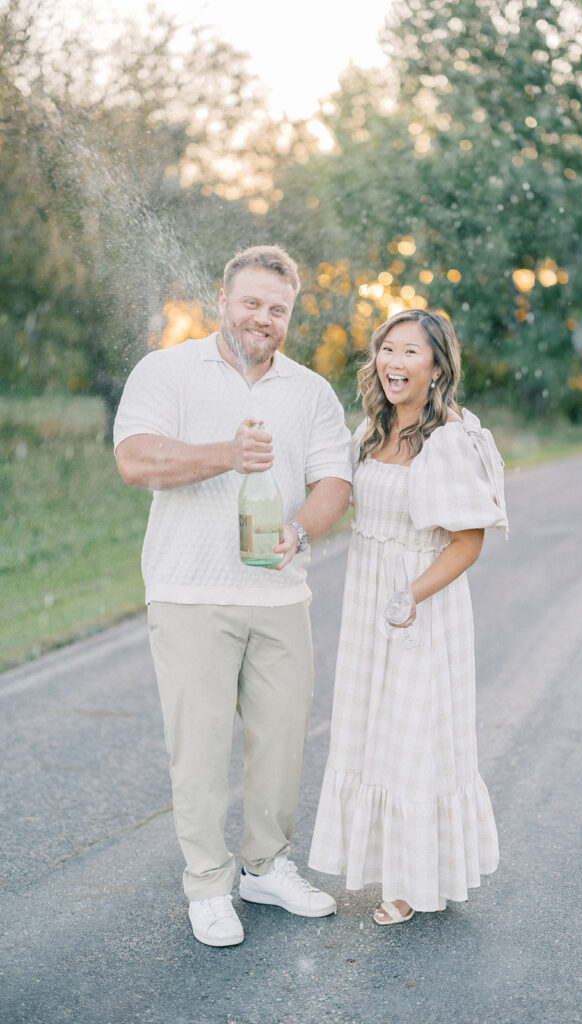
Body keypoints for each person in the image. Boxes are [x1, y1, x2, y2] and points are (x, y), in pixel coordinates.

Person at [113, 245, 352, 946]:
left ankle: (265, 867)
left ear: (289, 315)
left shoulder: (309, 390)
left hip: (280, 594)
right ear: (223, 300)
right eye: (251, 303)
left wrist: (300, 533)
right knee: (200, 745)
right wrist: (226, 452)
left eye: (277, 309)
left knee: (281, 742)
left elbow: (333, 481)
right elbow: (134, 460)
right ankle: (207, 886)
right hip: (188, 590)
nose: (263, 318)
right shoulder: (167, 369)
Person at [308, 308, 508, 925]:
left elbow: (467, 542)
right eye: (388, 350)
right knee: (375, 730)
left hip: (419, 607)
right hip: (370, 601)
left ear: (437, 366)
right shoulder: (370, 429)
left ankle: (411, 882)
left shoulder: (445, 440)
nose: (395, 363)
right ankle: (404, 869)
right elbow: (340, 501)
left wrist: (411, 594)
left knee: (415, 737)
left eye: (411, 353)